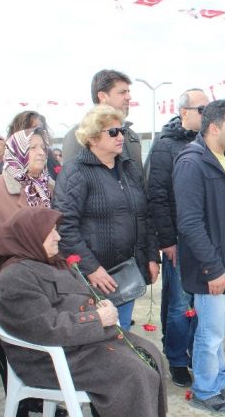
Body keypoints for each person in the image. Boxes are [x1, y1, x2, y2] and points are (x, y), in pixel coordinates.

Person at [0, 207, 167, 417]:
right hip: (48, 359)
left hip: (79, 345)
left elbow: (85, 295)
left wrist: (103, 304)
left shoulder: (53, 262)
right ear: (31, 235)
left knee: (150, 354)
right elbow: (46, 328)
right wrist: (96, 318)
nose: (58, 236)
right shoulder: (15, 277)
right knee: (133, 372)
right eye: (51, 232)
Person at [172, 100, 225, 414]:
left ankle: (219, 380)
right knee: (209, 333)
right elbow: (190, 223)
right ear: (214, 127)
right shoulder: (192, 163)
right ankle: (205, 390)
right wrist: (213, 268)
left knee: (220, 331)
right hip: (212, 268)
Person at [53, 105, 160, 332]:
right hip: (95, 277)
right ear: (92, 138)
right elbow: (65, 227)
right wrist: (91, 268)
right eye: (113, 132)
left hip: (128, 273)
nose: (121, 136)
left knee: (123, 336)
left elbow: (146, 217)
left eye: (121, 130)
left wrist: (151, 257)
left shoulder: (129, 169)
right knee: (101, 341)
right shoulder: (76, 172)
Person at [147, 87, 209, 387]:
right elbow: (156, 196)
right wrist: (167, 240)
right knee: (179, 303)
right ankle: (177, 360)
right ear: (184, 111)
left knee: (201, 302)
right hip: (179, 240)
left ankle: (196, 354)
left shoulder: (206, 143)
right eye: (201, 109)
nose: (205, 115)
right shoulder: (164, 145)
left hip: (203, 238)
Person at [0, 126, 54, 302]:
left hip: (51, 282)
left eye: (43, 148)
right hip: (14, 287)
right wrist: (1, 276)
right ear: (17, 152)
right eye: (32, 148)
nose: (41, 153)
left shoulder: (49, 187)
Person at [62, 69, 144, 177]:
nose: (129, 97)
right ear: (102, 96)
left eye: (128, 92)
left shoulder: (131, 135)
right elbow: (72, 184)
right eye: (122, 92)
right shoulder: (79, 135)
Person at [6, 111, 61, 180]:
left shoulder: (50, 157)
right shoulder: (10, 162)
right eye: (33, 128)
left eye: (40, 128)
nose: (38, 131)